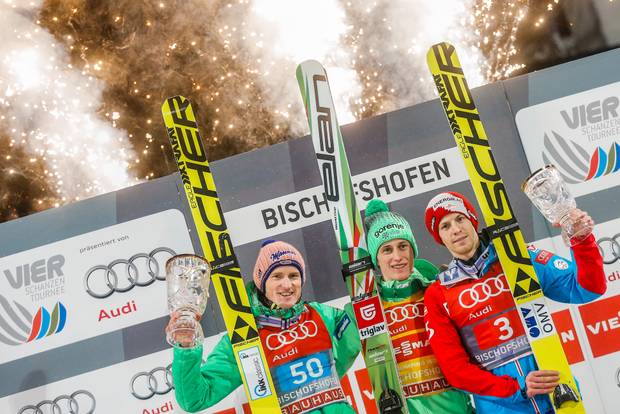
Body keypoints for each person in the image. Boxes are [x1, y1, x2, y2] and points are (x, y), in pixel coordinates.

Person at [423, 191, 606, 414]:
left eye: (460, 218)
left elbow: (587, 289)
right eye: (445, 226)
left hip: (558, 395)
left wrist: (581, 241)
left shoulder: (517, 257)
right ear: (439, 237)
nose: (455, 229)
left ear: (472, 220)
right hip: (502, 407)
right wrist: (515, 388)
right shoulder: (438, 294)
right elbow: (456, 371)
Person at [167, 240, 360, 413]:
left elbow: (357, 331)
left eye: (294, 275)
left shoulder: (321, 315)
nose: (287, 284)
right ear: (262, 282)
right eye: (277, 276)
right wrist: (186, 347)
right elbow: (195, 399)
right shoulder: (243, 335)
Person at [364, 198, 474, 413]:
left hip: (456, 407)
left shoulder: (440, 287)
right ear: (376, 258)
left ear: (412, 249)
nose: (397, 257)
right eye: (387, 250)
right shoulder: (365, 310)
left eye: (403, 246)